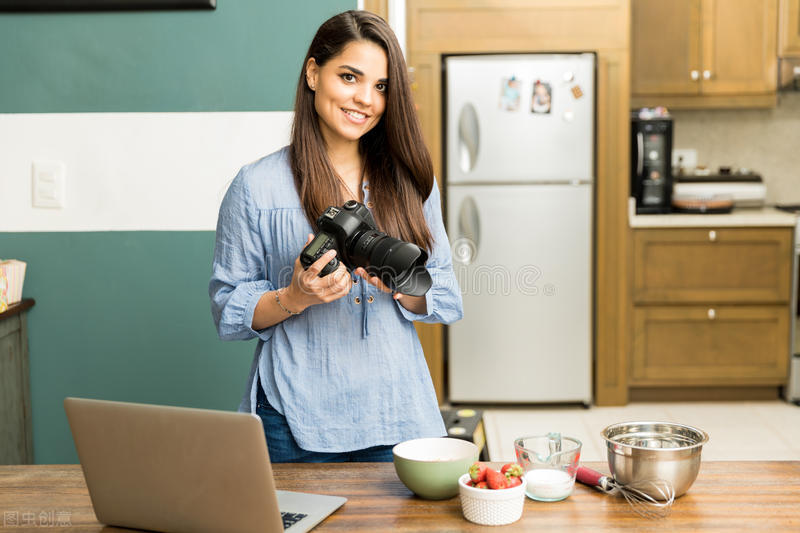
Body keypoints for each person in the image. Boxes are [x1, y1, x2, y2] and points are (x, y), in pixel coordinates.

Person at [209, 10, 463, 463]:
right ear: (313, 73)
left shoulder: (410, 182)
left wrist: (402, 288)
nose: (365, 99)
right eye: (350, 77)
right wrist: (295, 295)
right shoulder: (256, 186)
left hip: (396, 413)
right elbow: (228, 308)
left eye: (381, 86)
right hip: (294, 419)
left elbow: (444, 293)